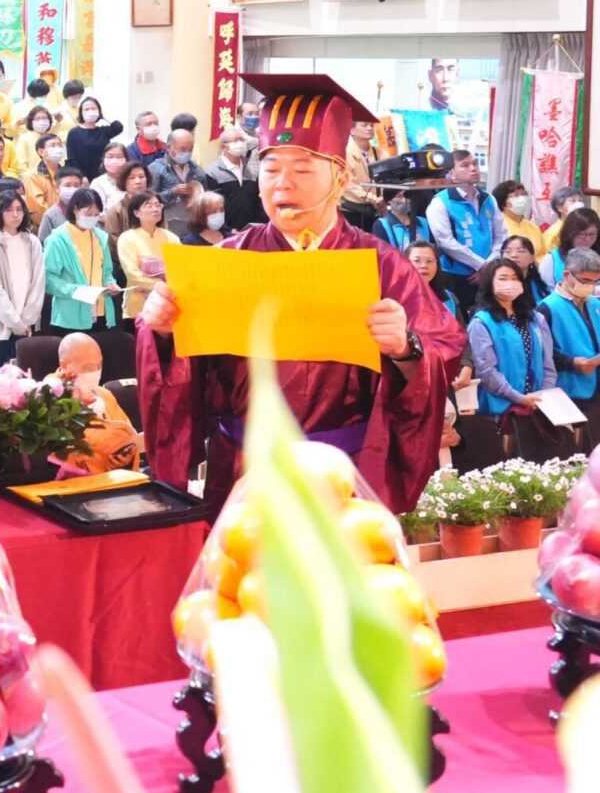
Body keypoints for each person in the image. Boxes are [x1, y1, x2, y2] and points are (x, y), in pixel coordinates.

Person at [139, 74, 464, 510]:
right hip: (243, 471)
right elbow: (181, 368)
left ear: (342, 176)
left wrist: (407, 349)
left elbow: (443, 350)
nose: (282, 185)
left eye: (303, 170)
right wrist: (161, 330)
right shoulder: (228, 259)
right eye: (271, 170)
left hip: (341, 475)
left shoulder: (383, 265)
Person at [468, 256, 564, 459]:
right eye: (502, 278)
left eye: (514, 278)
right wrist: (519, 398)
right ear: (489, 283)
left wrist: (544, 395)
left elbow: (548, 361)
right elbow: (487, 372)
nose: (510, 283)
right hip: (503, 408)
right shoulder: (481, 322)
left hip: (539, 404)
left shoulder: (535, 318)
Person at [51, 333, 145, 474]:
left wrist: (125, 460)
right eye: (88, 368)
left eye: (99, 366)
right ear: (64, 365)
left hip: (115, 482)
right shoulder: (50, 396)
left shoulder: (104, 394)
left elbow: (128, 437)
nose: (96, 373)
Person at [0, 189, 45, 375]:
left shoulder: (32, 242)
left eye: (19, 209)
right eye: (9, 210)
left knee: (24, 382)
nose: (15, 215)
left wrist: (26, 320)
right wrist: (15, 322)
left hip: (26, 325)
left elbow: (38, 283)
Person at [427, 151, 503, 320]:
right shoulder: (440, 202)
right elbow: (445, 242)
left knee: (490, 319)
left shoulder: (489, 198)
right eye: (465, 165)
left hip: (490, 273)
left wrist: (488, 265)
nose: (474, 169)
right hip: (456, 276)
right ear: (451, 174)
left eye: (475, 163)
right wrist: (480, 265)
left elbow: (501, 235)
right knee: (461, 323)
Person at [45, 187, 121, 332]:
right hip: (70, 315)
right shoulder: (57, 239)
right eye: (88, 213)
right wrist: (77, 290)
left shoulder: (100, 237)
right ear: (75, 209)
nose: (92, 218)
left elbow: (106, 272)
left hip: (100, 311)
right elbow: (48, 278)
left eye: (96, 214)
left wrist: (110, 284)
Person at [117, 190, 172, 320]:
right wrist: (162, 287)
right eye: (149, 205)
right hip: (137, 307)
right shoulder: (127, 238)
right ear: (136, 213)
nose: (155, 209)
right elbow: (133, 274)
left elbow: (179, 269)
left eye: (158, 205)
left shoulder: (171, 237)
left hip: (166, 305)